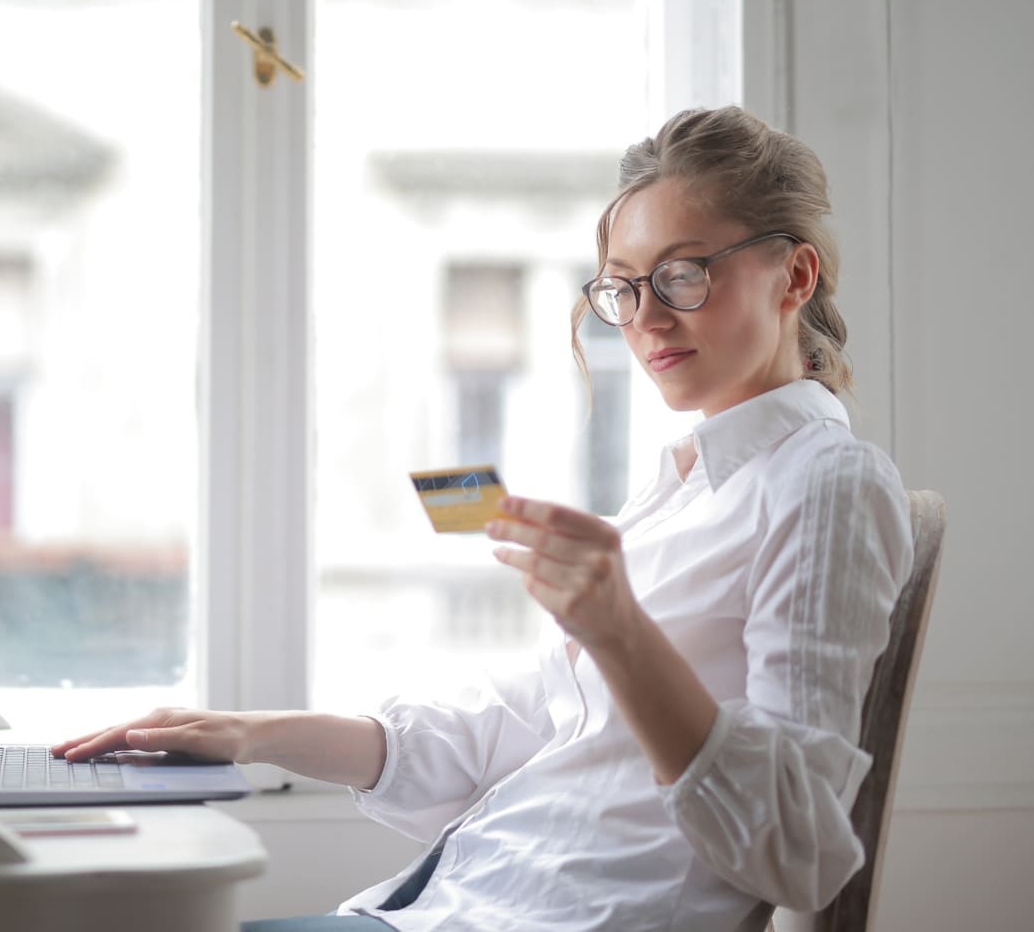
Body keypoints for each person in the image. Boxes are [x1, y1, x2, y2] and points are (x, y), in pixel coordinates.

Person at [55, 106, 913, 932]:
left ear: (794, 276)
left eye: (684, 274)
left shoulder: (827, 484)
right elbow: (515, 723)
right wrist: (251, 732)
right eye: (623, 286)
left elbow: (800, 852)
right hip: (446, 906)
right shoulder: (681, 487)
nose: (647, 317)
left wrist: (619, 630)